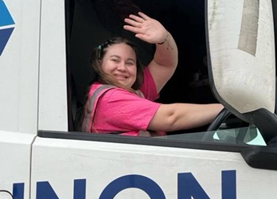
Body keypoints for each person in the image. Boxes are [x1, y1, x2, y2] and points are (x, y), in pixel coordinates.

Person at [81, 12, 224, 136]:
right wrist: (227, 109)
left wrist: (164, 39)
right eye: (115, 60)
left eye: (130, 63)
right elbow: (171, 117)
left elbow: (165, 65)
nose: (122, 68)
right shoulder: (111, 99)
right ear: (99, 63)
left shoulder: (131, 91)